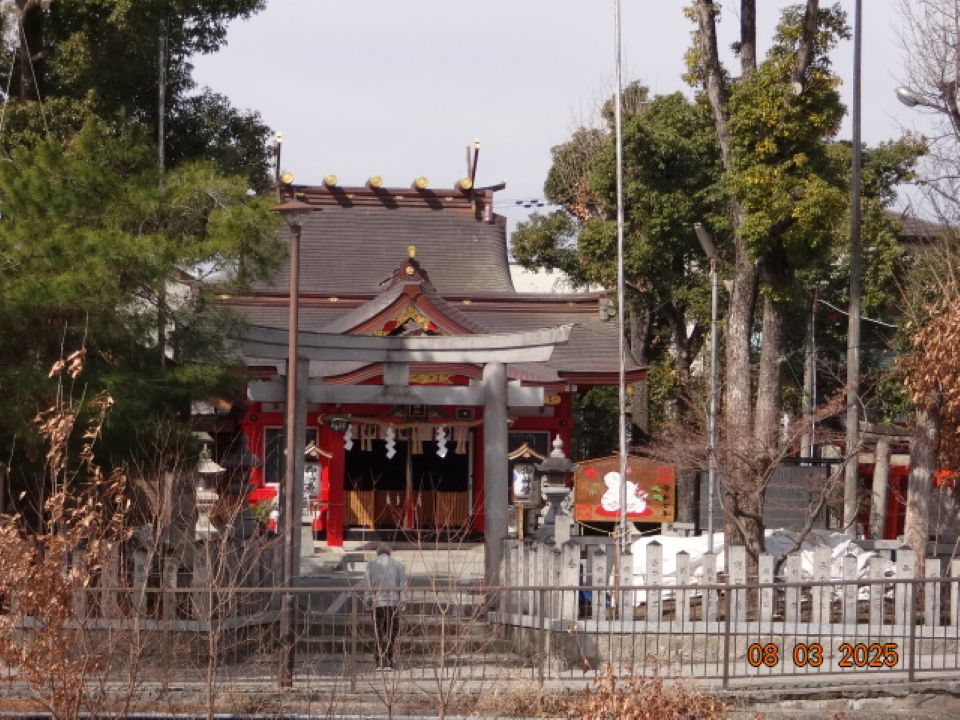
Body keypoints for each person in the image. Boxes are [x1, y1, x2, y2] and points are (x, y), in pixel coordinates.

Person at [363, 543, 406, 669]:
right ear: (389, 553)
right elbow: (402, 585)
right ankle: (390, 659)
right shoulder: (398, 565)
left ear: (378, 553)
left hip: (377, 602)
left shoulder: (371, 565)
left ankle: (379, 661)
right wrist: (402, 601)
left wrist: (367, 600)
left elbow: (367, 584)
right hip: (393, 602)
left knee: (378, 633)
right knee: (392, 633)